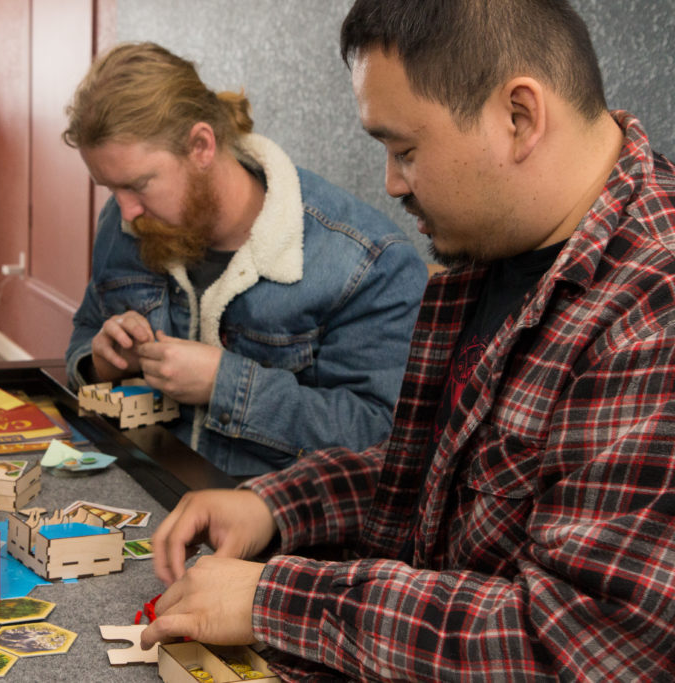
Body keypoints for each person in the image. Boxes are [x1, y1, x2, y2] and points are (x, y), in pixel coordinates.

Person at [142, 0, 675, 679]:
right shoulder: (492, 248)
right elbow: (431, 480)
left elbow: (575, 646)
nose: (392, 182)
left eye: (406, 150)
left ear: (519, 118)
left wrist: (276, 598)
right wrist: (275, 503)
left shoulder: (652, 312)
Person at [63, 42, 426, 476]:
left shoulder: (367, 263)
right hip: (141, 487)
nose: (125, 212)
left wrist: (224, 384)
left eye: (139, 185)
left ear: (201, 145)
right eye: (110, 188)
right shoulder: (126, 222)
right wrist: (99, 360)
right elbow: (87, 329)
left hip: (271, 528)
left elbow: (381, 435)